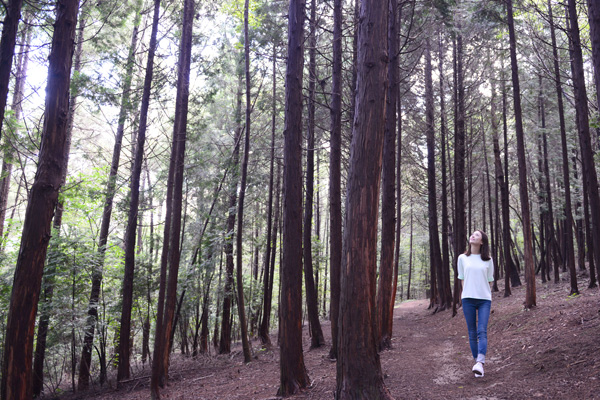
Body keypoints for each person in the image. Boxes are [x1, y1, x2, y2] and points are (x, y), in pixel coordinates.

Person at [458, 230, 494, 378]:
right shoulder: (462, 258)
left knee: (482, 331)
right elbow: (462, 278)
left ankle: (480, 362)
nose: (473, 236)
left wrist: (485, 293)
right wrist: (466, 293)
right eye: (472, 234)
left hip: (484, 299)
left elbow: (490, 280)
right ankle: (477, 363)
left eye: (477, 235)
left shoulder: (488, 259)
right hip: (467, 299)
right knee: (472, 333)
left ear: (482, 242)